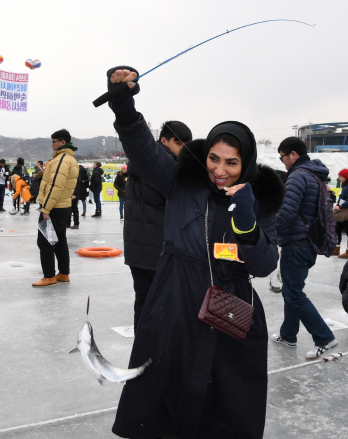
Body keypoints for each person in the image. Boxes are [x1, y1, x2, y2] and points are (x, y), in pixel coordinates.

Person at [106, 67, 283, 439]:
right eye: (214, 158)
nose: (220, 169)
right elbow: (142, 147)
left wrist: (248, 220)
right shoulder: (180, 182)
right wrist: (123, 102)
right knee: (163, 394)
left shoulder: (260, 200)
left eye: (231, 162)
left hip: (230, 308)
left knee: (223, 403)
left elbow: (266, 265)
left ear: (245, 163)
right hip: (175, 301)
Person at [273, 136, 338, 360]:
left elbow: (286, 212)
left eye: (282, 156)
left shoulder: (298, 176)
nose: (282, 161)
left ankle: (324, 337)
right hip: (306, 242)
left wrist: (270, 234)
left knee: (293, 293)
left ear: (293, 155)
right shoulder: (314, 174)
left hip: (297, 242)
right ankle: (289, 335)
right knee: (292, 291)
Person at [124, 120, 192, 331]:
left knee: (144, 299)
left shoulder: (141, 164)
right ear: (164, 140)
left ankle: (142, 350)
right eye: (179, 143)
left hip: (138, 248)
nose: (184, 149)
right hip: (157, 249)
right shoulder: (164, 168)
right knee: (162, 304)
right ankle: (155, 352)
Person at [33, 129, 79, 287]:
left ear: (62, 143)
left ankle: (49, 276)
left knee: (45, 242)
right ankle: (64, 273)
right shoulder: (70, 159)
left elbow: (55, 186)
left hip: (54, 207)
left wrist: (46, 208)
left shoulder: (62, 159)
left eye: (54, 141)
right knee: (60, 241)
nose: (52, 144)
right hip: (63, 206)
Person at [333, 168, 348, 258]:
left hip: (347, 213)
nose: (339, 178)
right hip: (342, 213)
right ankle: (336, 249)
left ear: (346, 177)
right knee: (338, 230)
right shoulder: (344, 185)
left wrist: (341, 206)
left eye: (341, 176)